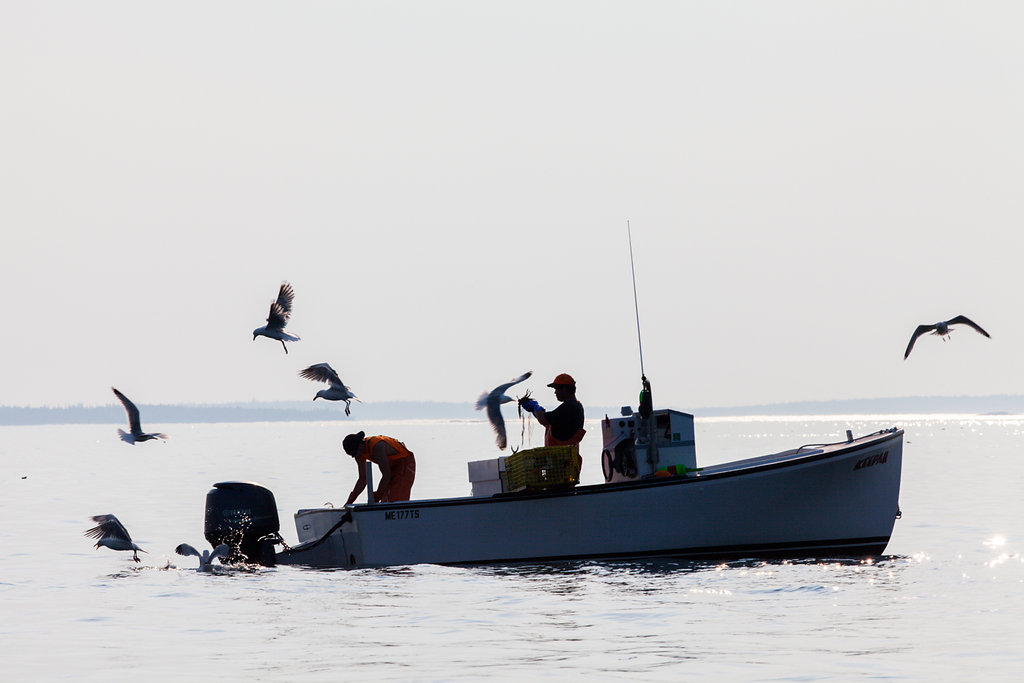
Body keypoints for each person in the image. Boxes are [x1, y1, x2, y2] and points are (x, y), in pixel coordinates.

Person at [342, 431, 416, 505]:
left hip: (404, 463)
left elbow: (386, 475)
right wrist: (350, 501)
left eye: (355, 453)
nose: (356, 456)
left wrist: (377, 496)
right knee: (385, 501)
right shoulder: (358, 454)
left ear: (360, 445)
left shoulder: (377, 447)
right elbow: (363, 479)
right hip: (390, 465)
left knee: (395, 499)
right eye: (353, 455)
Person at [519, 373, 586, 447]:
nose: (555, 392)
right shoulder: (577, 406)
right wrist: (534, 410)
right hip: (568, 453)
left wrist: (535, 406)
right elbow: (549, 422)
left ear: (564, 389)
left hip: (559, 453)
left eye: (556, 389)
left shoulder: (570, 407)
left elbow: (543, 419)